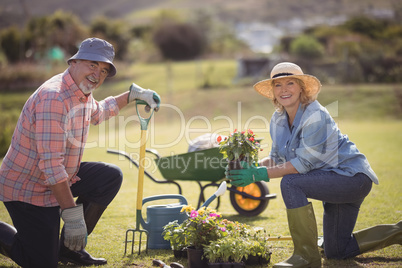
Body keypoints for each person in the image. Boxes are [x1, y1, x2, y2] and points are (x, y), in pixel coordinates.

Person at [0, 37, 161, 267]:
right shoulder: (54, 97)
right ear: (74, 62)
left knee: (109, 177)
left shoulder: (81, 92)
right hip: (28, 188)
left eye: (104, 70)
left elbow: (99, 112)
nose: (98, 74)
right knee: (42, 262)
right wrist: (73, 217)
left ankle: (69, 250)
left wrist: (132, 95)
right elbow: (51, 166)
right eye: (93, 65)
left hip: (57, 179)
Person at [226, 62, 401, 268]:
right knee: (337, 251)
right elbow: (277, 158)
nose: (284, 90)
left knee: (291, 183)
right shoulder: (278, 118)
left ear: (301, 87)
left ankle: (306, 256)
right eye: (278, 85)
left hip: (353, 179)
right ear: (273, 92)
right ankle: (398, 232)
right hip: (332, 182)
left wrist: (258, 175)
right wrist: (251, 167)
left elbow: (302, 164)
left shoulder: (315, 115)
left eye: (290, 83)